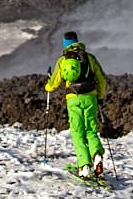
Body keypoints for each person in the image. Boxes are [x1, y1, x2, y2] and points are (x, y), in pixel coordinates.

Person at [45, 31, 108, 178]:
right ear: (78, 41)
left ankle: (84, 166)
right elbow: (102, 78)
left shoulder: (62, 60)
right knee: (91, 130)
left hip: (73, 98)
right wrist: (100, 96)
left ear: (65, 44)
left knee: (77, 132)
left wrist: (47, 87)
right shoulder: (90, 58)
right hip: (90, 97)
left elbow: (54, 84)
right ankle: (97, 155)